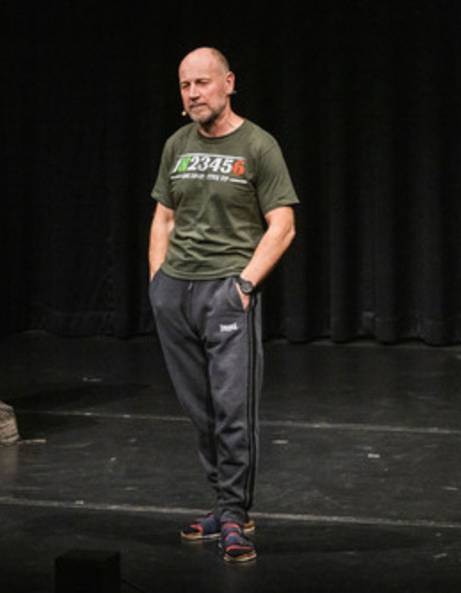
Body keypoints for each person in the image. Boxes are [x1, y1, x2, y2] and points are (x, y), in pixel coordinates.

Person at [148, 47, 299, 563]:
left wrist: (245, 285)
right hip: (176, 293)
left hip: (226, 292)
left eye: (202, 83)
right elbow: (164, 218)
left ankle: (235, 514)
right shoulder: (176, 145)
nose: (193, 93)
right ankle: (222, 503)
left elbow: (283, 225)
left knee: (233, 410)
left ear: (228, 83)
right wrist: (158, 285)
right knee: (202, 410)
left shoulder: (258, 145)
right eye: (185, 85)